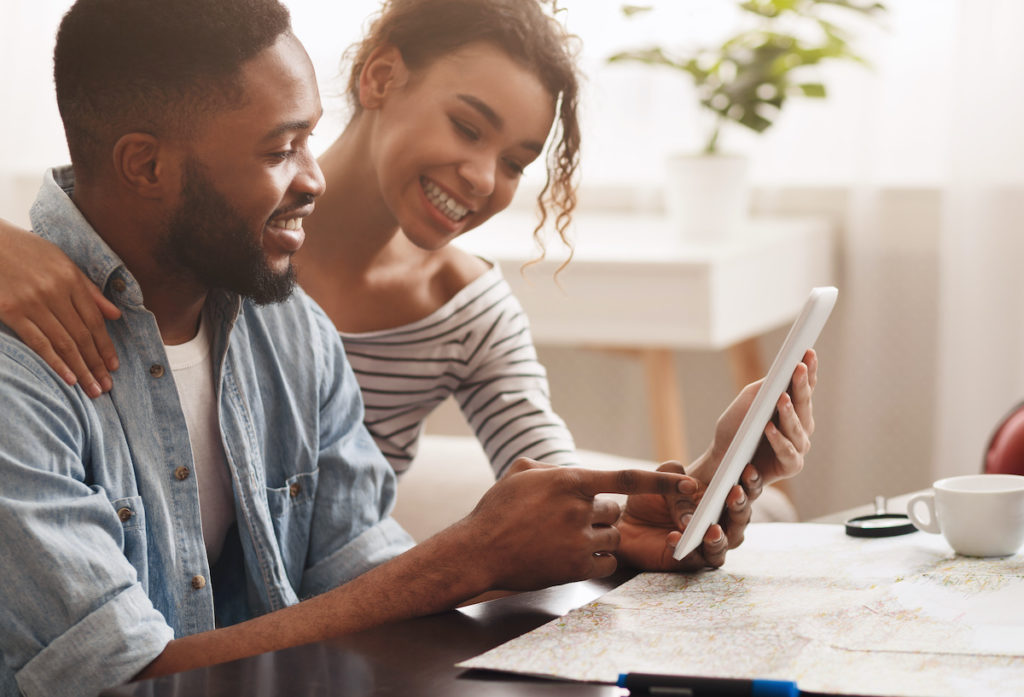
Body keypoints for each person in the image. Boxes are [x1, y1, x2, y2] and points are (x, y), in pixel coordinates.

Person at [0, 1, 792, 695]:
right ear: (146, 164)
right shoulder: (22, 366)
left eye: (310, 138)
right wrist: (469, 557)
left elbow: (367, 574)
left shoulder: (288, 324)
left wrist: (650, 516)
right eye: (280, 150)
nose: (311, 178)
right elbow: (118, 682)